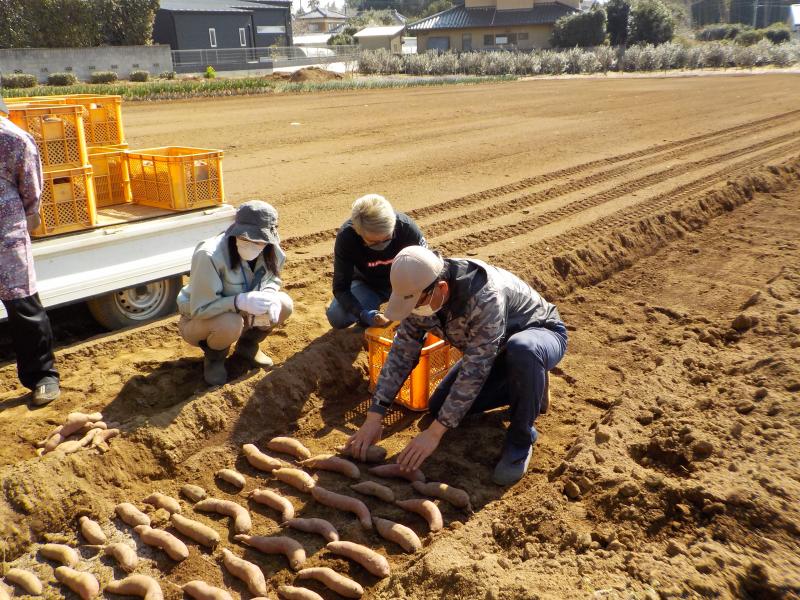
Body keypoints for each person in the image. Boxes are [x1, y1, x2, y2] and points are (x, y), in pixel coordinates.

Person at [345, 246, 568, 486]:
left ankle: (521, 439)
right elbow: (402, 352)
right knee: (439, 407)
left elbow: (475, 371)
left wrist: (433, 434)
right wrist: (375, 415)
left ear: (441, 288)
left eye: (417, 302)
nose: (414, 311)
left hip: (540, 337)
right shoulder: (419, 291)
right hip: (493, 352)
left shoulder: (485, 298)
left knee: (523, 349)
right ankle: (531, 388)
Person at [176, 201, 293, 386]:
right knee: (230, 322)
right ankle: (215, 358)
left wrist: (270, 294)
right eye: (246, 238)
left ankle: (248, 346)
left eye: (259, 240)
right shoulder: (209, 255)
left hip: (245, 315)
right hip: (201, 321)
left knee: (284, 304)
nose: (253, 244)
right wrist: (238, 302)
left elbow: (273, 279)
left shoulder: (272, 249)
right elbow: (200, 309)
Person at [0, 97, 60, 406]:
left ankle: (43, 377)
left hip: (5, 239)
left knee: (23, 307)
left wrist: (30, 215)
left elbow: (31, 188)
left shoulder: (13, 139)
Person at [326, 194, 427, 329]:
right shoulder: (347, 237)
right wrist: (364, 314)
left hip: (405, 283)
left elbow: (428, 269)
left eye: (387, 238)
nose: (382, 246)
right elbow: (341, 288)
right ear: (358, 231)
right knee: (337, 316)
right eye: (373, 242)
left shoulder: (406, 228)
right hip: (369, 286)